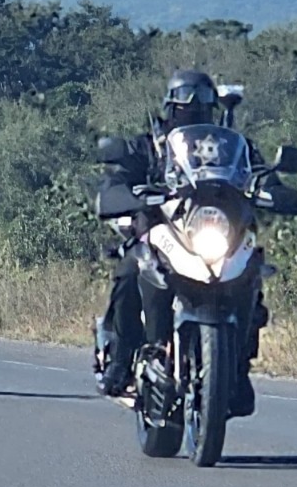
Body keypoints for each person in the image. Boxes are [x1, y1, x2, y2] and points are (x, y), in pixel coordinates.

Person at [95, 69, 279, 416]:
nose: (192, 108)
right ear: (170, 104)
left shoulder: (234, 146)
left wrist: (276, 191)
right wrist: (123, 192)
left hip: (219, 232)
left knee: (252, 278)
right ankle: (122, 358)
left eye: (201, 101)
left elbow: (264, 176)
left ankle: (238, 368)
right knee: (131, 271)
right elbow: (119, 179)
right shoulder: (148, 144)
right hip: (163, 230)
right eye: (184, 100)